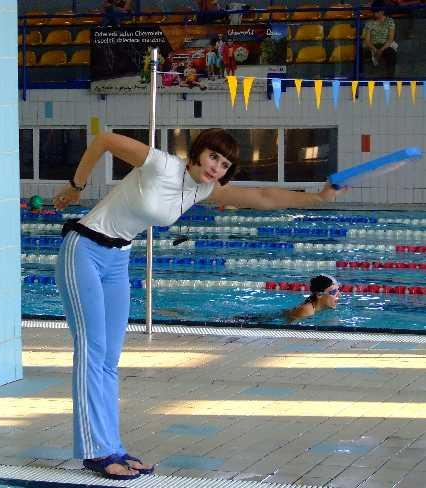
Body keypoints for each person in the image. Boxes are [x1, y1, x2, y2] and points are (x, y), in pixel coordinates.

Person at [52, 129, 346, 480]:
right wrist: (76, 185)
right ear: (197, 153)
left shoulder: (203, 188)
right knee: (91, 351)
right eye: (213, 157)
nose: (216, 168)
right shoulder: (161, 164)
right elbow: (104, 139)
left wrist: (318, 197)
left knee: (109, 359)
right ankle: (94, 452)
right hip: (83, 248)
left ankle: (110, 446)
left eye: (224, 165)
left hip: (118, 259)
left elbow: (265, 196)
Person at [362, 0, 398, 78]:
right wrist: (375, 49)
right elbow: (367, 40)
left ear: (382, 11)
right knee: (360, 53)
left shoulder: (390, 21)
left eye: (377, 12)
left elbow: (390, 39)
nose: (375, 14)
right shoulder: (369, 22)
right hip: (373, 45)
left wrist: (381, 50)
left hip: (385, 45)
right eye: (374, 12)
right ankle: (359, 76)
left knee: (391, 54)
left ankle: (390, 77)